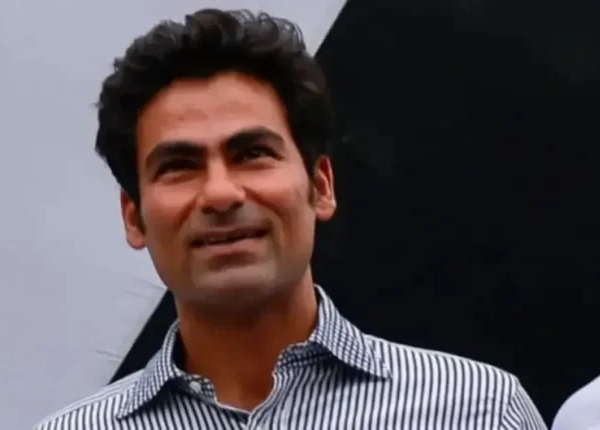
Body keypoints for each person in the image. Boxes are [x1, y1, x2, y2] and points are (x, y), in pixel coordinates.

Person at [35, 8, 547, 430]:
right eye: (179, 166)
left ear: (321, 186)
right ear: (134, 217)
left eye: (252, 154)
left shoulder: (478, 410)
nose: (220, 193)